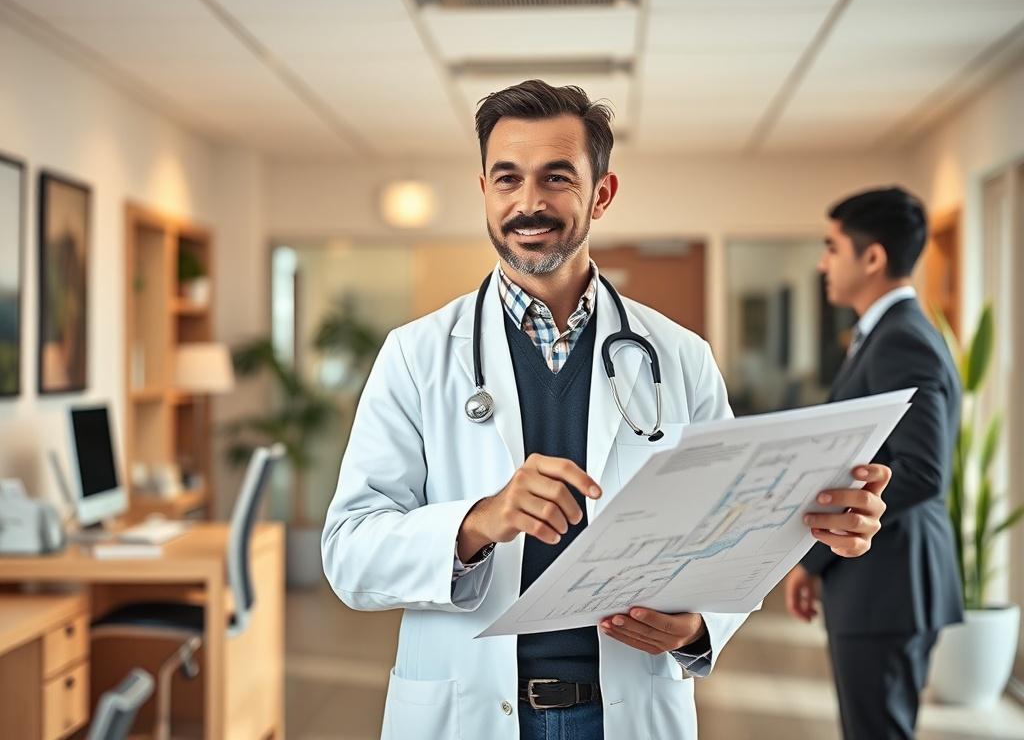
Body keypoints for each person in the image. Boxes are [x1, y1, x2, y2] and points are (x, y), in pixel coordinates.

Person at [322, 80, 891, 740]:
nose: (527, 203)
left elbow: (736, 530)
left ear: (602, 193)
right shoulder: (416, 356)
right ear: (483, 190)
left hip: (624, 708)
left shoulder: (680, 357)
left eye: (556, 178)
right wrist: (480, 521)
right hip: (466, 710)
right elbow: (349, 555)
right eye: (507, 179)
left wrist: (703, 622)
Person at [784, 187, 963, 740]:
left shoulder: (899, 340)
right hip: (880, 583)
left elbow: (923, 471)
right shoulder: (882, 336)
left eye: (832, 247)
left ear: (873, 257)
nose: (822, 263)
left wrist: (815, 556)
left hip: (889, 585)